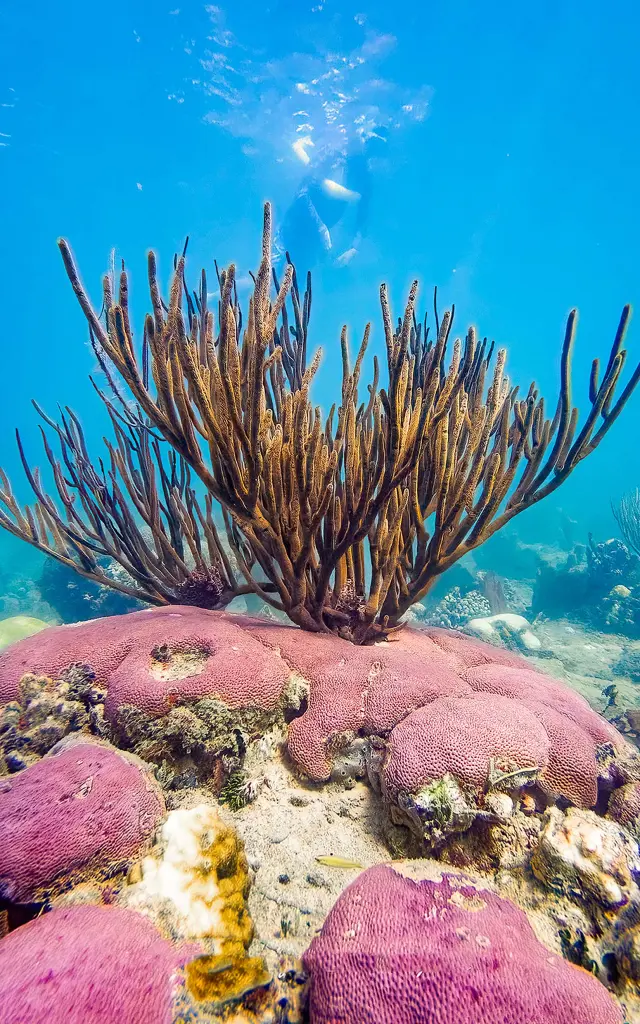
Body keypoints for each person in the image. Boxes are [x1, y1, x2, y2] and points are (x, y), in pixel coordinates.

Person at [275, 130, 388, 272]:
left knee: (294, 275)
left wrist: (354, 249)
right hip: (297, 224)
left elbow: (363, 211)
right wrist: (322, 229)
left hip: (313, 238)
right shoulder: (334, 154)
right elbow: (309, 186)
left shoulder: (363, 176)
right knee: (279, 269)